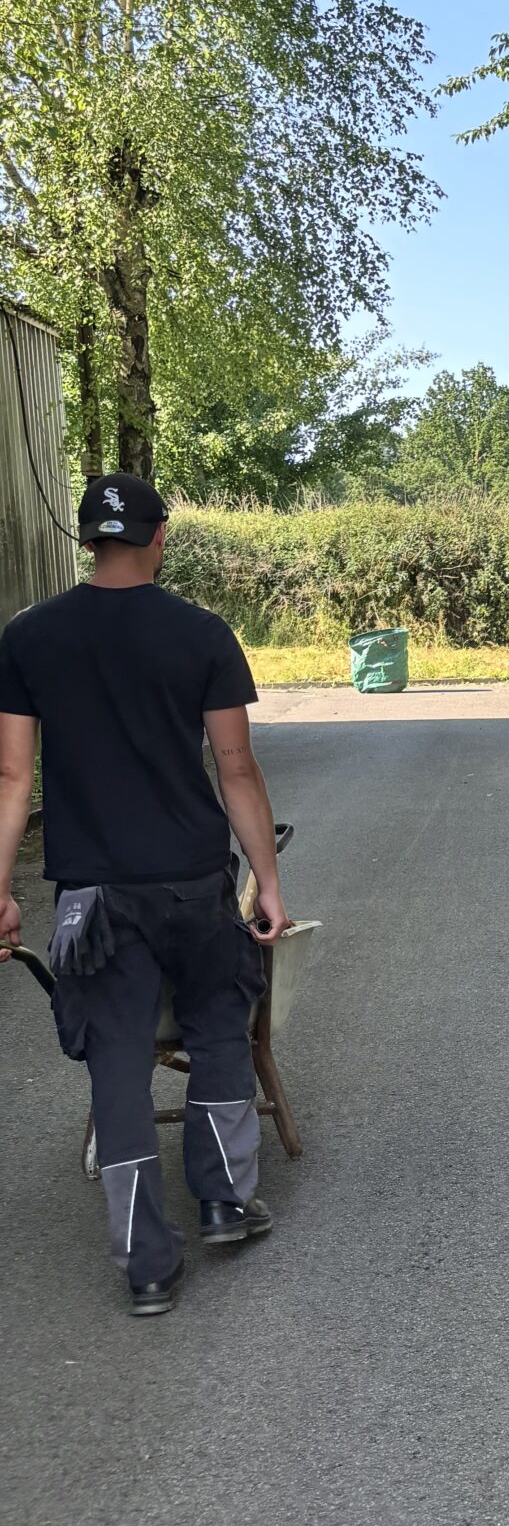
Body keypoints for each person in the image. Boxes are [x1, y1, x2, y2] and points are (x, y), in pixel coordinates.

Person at [0, 472, 292, 1315]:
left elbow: (12, 777)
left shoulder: (29, 637)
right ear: (159, 537)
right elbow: (236, 769)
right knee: (219, 1024)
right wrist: (268, 882)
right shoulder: (201, 634)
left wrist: (1, 891)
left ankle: (148, 1268)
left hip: (93, 898)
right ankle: (223, 1201)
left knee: (117, 1063)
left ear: (86, 539)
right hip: (194, 881)